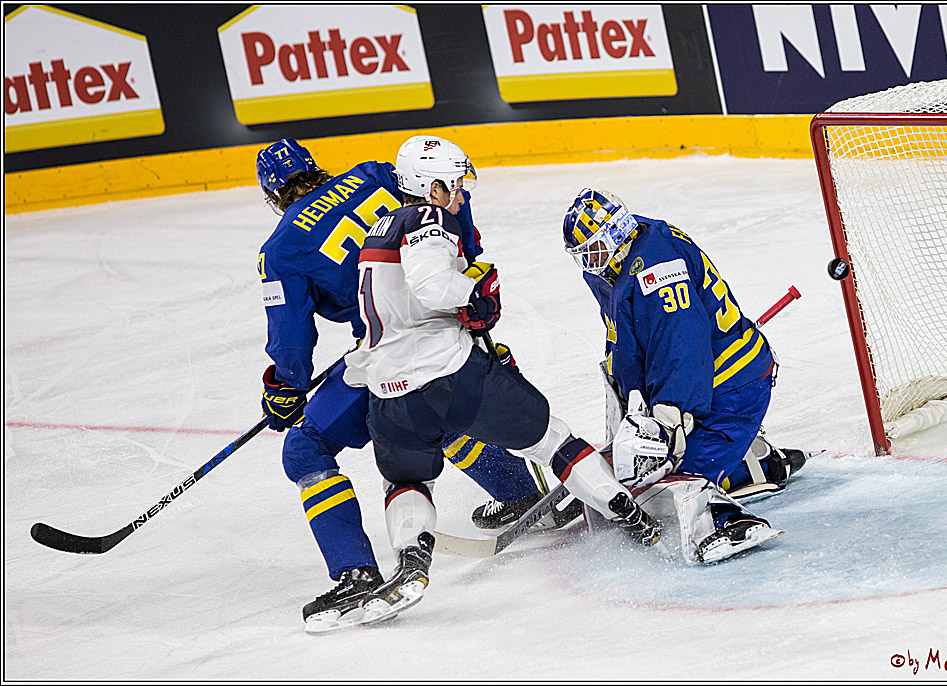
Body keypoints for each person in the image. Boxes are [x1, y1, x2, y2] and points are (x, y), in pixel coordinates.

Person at [341, 137, 663, 625]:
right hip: (449, 375)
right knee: (552, 439)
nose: (460, 195)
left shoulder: (376, 233)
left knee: (406, 479)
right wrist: (474, 296)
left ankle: (411, 566)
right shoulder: (428, 219)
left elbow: (398, 302)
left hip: (388, 393)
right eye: (454, 184)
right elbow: (431, 286)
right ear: (432, 186)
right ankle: (629, 514)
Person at [255, 138, 550, 633]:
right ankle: (522, 492)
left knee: (304, 449)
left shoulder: (280, 251)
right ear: (316, 167)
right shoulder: (374, 173)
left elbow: (291, 345)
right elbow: (449, 197)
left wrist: (283, 388)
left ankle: (356, 572)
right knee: (440, 409)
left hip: (387, 354)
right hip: (453, 331)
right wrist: (466, 259)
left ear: (271, 196)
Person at [561, 188, 808, 564]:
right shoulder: (618, 259)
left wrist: (670, 416)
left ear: (615, 232)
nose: (589, 261)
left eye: (593, 249)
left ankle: (726, 518)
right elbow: (630, 334)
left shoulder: (657, 268)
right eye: (583, 254)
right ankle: (749, 461)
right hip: (701, 386)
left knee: (666, 486)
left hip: (732, 387)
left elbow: (682, 347)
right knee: (639, 469)